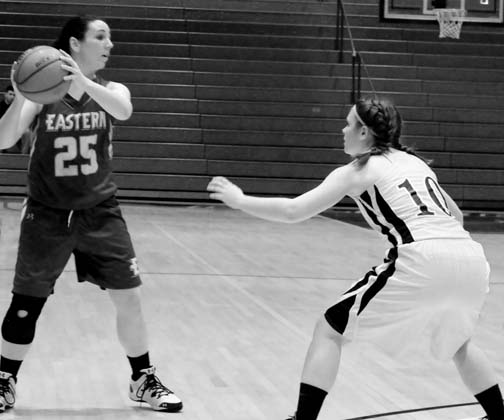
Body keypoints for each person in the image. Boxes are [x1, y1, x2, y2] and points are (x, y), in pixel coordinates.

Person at [207, 97, 503, 420]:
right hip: (471, 259)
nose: (343, 129)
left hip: (420, 256)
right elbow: (456, 215)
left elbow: (293, 211)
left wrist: (240, 200)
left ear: (364, 133)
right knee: (459, 343)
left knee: (329, 328)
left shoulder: (356, 171)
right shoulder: (417, 164)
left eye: (349, 123)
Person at [0, 15, 182, 413]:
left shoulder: (110, 89)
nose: (109, 44)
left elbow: (124, 111)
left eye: (110, 37)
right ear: (75, 44)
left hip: (100, 211)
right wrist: (18, 95)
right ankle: (4, 380)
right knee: (26, 304)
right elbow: (4, 139)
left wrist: (81, 82)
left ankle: (142, 379)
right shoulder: (40, 95)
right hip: (47, 214)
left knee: (129, 299)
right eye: (101, 37)